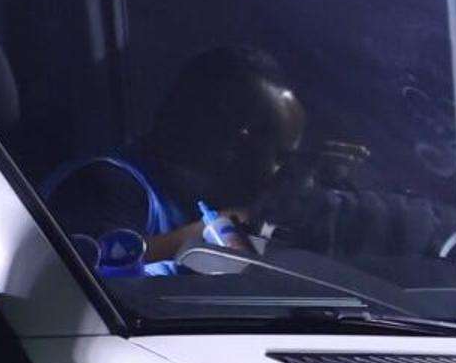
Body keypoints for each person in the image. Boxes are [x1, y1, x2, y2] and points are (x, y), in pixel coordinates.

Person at [40, 45, 309, 272]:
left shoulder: (186, 203)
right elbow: (93, 285)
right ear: (237, 143)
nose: (282, 173)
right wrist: (223, 227)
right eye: (280, 156)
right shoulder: (105, 186)